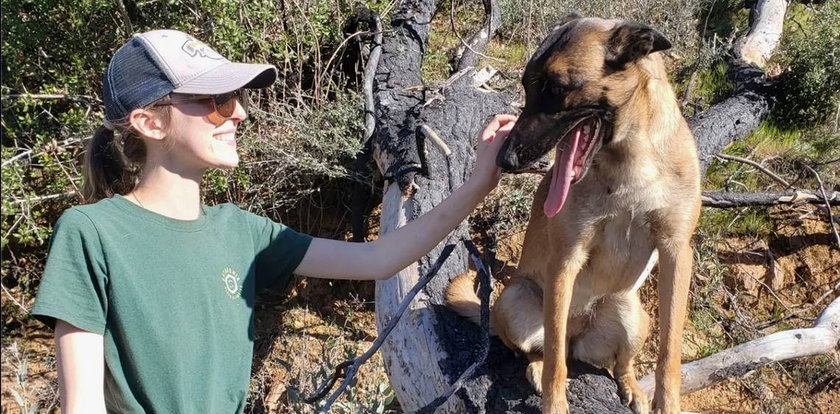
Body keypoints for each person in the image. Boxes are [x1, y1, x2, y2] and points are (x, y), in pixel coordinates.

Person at [31, 29, 516, 414]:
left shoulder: (243, 232)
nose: (238, 112)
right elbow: (84, 405)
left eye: (237, 97)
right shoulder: (91, 231)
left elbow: (379, 257)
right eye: (213, 99)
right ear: (150, 122)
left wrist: (479, 182)